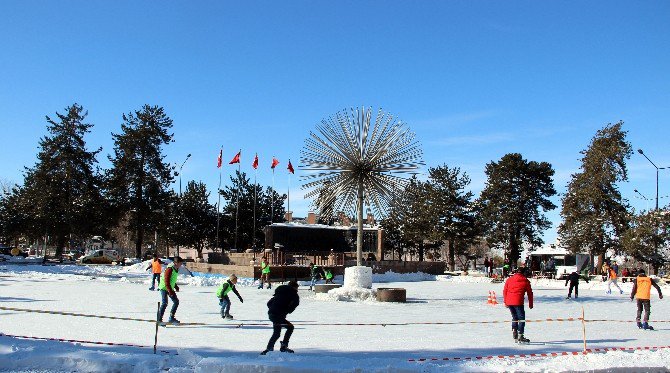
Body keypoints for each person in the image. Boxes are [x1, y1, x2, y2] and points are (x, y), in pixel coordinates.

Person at [261, 280, 300, 355]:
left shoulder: (280, 291)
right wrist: (285, 310)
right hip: (278, 315)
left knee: (289, 327)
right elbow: (293, 306)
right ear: (295, 287)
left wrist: (274, 308)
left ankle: (280, 346)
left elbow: (269, 303)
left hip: (272, 314)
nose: (297, 290)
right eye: (297, 288)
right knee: (278, 332)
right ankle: (270, 349)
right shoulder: (294, 295)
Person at [503, 267, 534, 343]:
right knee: (521, 319)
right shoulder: (525, 281)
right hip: (518, 302)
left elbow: (505, 291)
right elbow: (530, 293)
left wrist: (505, 302)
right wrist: (530, 304)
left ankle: (514, 331)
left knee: (514, 317)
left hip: (509, 301)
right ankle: (520, 335)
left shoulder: (509, 279)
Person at [158, 256, 183, 325]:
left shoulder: (175, 268)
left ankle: (171, 318)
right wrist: (170, 290)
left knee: (176, 302)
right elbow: (166, 280)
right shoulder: (170, 269)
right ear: (176, 263)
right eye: (180, 263)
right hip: (164, 287)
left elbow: (172, 279)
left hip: (169, 288)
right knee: (164, 303)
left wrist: (175, 286)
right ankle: (159, 319)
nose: (181, 265)